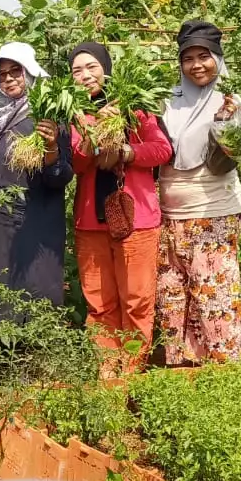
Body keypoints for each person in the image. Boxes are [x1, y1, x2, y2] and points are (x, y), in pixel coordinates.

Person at [69, 41, 173, 374]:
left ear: (106, 69)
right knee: (99, 302)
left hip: (137, 220)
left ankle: (131, 372)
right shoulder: (75, 115)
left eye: (92, 67)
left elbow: (162, 150)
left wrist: (128, 150)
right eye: (77, 70)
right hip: (91, 222)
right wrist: (94, 130)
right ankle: (106, 372)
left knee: (137, 301)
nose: (85, 76)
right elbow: (76, 163)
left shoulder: (135, 108)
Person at [157, 20, 241, 365]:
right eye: (188, 58)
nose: (196, 65)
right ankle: (182, 369)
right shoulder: (167, 100)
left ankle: (224, 369)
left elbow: (234, 157)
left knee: (214, 293)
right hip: (169, 215)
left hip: (214, 212)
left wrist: (225, 125)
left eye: (204, 56)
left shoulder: (229, 101)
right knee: (173, 294)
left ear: (218, 59)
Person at [0, 42, 73, 316]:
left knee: (25, 290)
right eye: (2, 74)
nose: (9, 78)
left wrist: (50, 149)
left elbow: (59, 176)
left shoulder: (46, 117)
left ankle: (27, 355)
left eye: (16, 71)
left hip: (28, 223)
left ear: (30, 72)